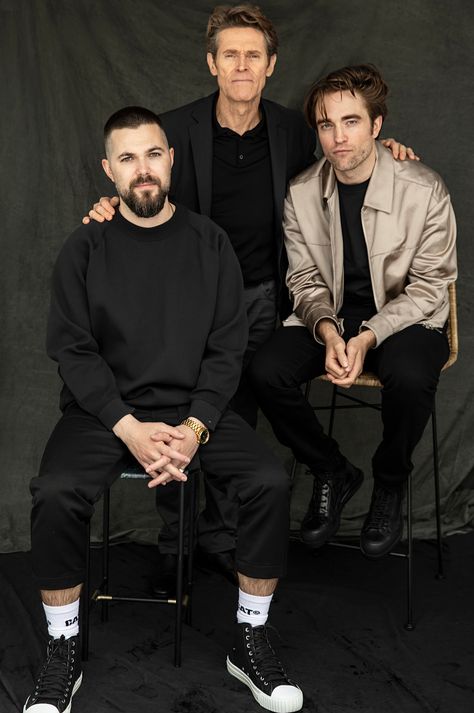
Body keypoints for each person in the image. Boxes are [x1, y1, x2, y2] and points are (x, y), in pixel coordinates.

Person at [83, 4, 416, 587]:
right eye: (230, 54)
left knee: (237, 419)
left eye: (253, 55)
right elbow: (140, 185)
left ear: (270, 66)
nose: (242, 65)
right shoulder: (173, 130)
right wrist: (109, 204)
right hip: (188, 301)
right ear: (212, 64)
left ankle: (225, 538)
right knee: (178, 408)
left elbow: (346, 162)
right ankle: (178, 547)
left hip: (266, 296)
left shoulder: (294, 129)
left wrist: (391, 155)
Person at [24, 107, 304, 713]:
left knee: (268, 481)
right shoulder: (86, 246)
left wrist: (196, 427)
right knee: (56, 490)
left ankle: (250, 641)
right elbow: (71, 348)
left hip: (192, 412)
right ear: (108, 170)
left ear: (171, 158)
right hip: (104, 416)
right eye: (127, 158)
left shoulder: (209, 242)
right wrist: (125, 424)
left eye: (153, 154)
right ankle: (62, 649)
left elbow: (229, 345)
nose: (142, 169)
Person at [249, 64, 457, 559]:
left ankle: (390, 480)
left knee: (408, 375)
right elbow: (301, 277)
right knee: (265, 370)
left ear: (377, 125)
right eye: (326, 125)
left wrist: (367, 337)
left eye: (351, 122)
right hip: (332, 315)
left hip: (405, 317)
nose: (338, 138)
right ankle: (331, 469)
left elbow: (432, 287)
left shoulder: (425, 189)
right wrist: (326, 330)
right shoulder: (301, 192)